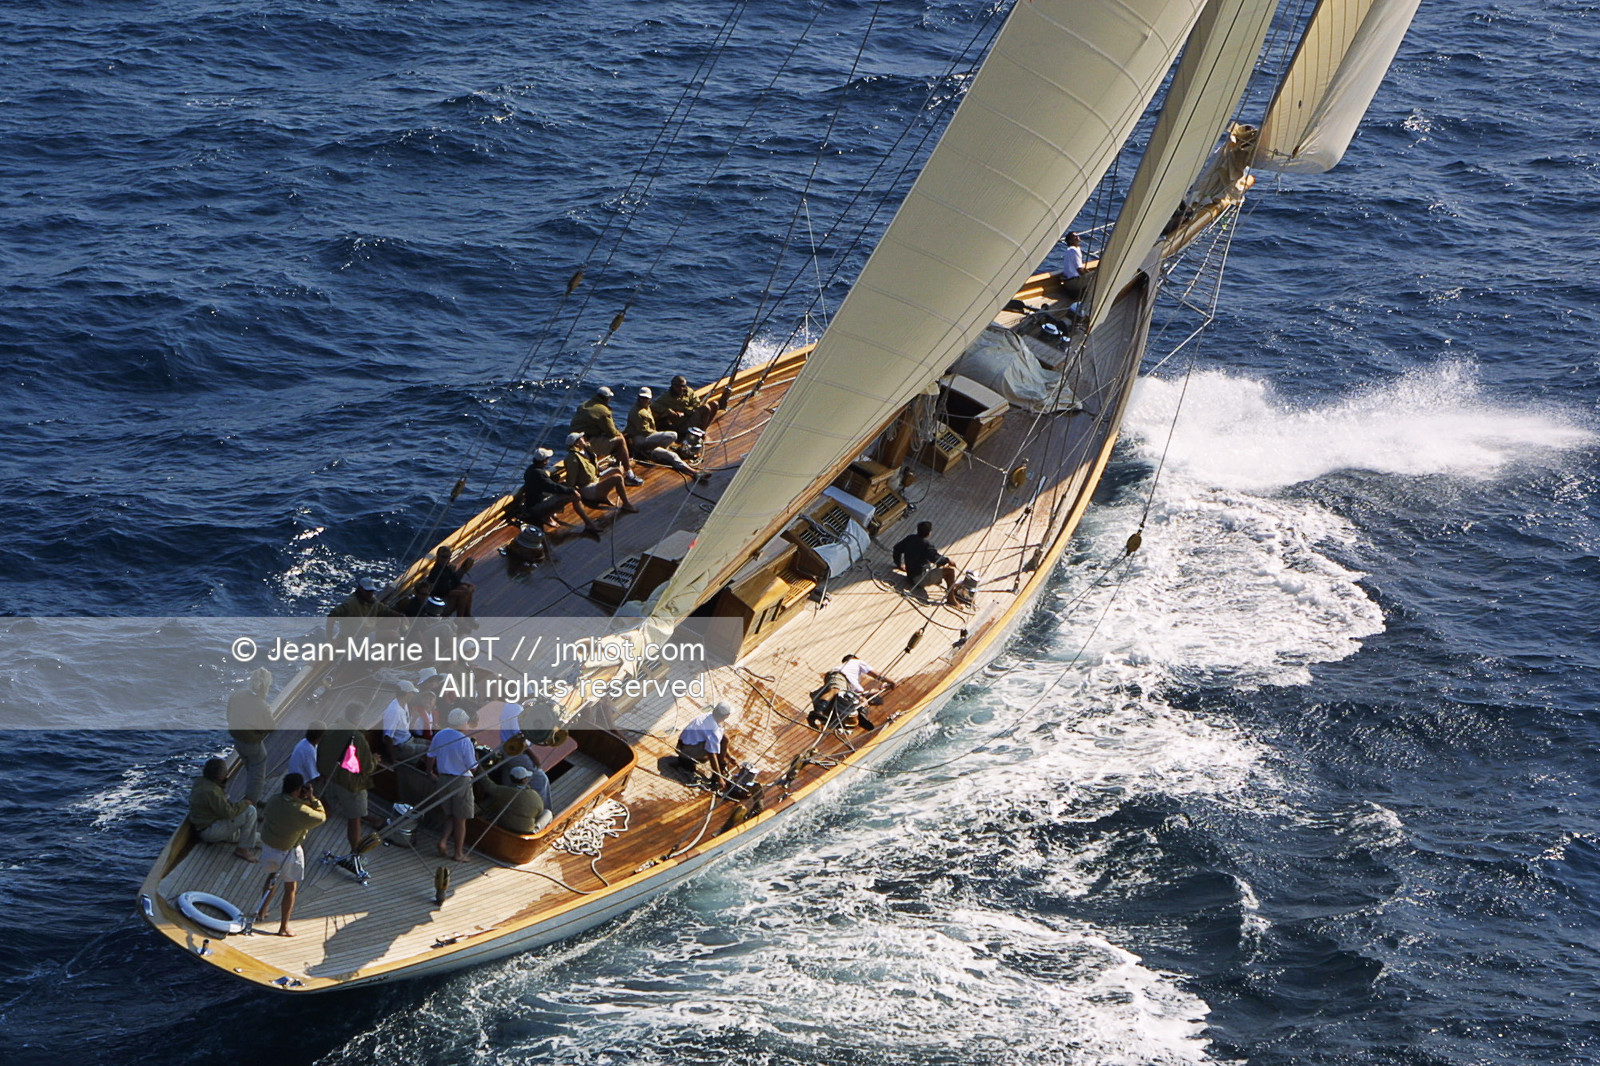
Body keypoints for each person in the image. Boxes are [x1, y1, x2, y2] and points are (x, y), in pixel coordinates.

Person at [253, 773, 326, 937]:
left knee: (272, 877)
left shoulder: (274, 800)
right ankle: (284, 927)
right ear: (298, 790)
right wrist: (312, 799)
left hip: (269, 847)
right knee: (290, 888)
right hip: (287, 852)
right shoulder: (300, 810)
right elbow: (321, 818)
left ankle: (262, 910)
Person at [316, 702, 379, 865]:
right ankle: (355, 854)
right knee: (355, 818)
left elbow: (320, 750)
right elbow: (367, 766)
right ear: (359, 718)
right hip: (349, 784)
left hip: (329, 778)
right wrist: (375, 760)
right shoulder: (357, 737)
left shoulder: (332, 728)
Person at [427, 707, 478, 862]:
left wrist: (429, 772)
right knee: (461, 819)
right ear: (462, 723)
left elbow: (430, 755)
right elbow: (472, 767)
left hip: (443, 779)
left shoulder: (440, 734)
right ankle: (458, 853)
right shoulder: (465, 741)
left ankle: (443, 841)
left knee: (449, 814)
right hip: (460, 781)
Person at [187, 757, 259, 862]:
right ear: (219, 776)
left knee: (255, 838)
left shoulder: (200, 782)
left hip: (204, 825)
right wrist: (245, 803)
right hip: (210, 830)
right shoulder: (212, 791)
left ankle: (271, 841)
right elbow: (229, 813)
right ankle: (242, 850)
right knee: (250, 811)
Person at [512, 448, 599, 533]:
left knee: (565, 489)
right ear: (544, 461)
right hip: (536, 508)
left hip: (532, 504)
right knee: (574, 496)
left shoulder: (531, 469)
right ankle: (588, 523)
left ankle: (547, 515)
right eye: (548, 459)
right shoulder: (539, 473)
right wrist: (571, 490)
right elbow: (552, 487)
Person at [570, 386, 643, 485]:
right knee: (620, 440)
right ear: (607, 398)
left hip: (575, 441)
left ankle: (610, 464)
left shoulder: (584, 405)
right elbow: (612, 433)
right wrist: (620, 433)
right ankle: (629, 474)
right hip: (586, 443)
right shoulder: (603, 410)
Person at [625, 388, 700, 477]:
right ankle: (651, 452)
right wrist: (658, 436)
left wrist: (669, 412)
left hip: (649, 443)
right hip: (641, 442)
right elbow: (645, 431)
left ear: (650, 399)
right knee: (673, 435)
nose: (644, 400)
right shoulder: (637, 412)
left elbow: (657, 408)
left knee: (673, 456)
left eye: (646, 398)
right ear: (638, 397)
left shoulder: (647, 407)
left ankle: (694, 473)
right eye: (642, 398)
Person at [226, 667, 273, 804]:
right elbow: (271, 727)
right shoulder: (262, 706)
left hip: (237, 740)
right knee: (257, 772)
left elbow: (229, 715)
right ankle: (251, 803)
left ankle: (251, 795)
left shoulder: (237, 695)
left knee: (249, 767)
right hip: (252, 745)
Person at [563, 432, 640, 513]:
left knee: (617, 470)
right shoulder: (572, 459)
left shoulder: (586, 450)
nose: (583, 438)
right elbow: (571, 480)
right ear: (577, 443)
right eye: (581, 438)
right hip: (587, 488)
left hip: (595, 480)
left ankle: (602, 496)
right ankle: (626, 504)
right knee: (618, 478)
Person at [476, 764, 551, 834]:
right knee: (547, 813)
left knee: (492, 804)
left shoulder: (504, 791)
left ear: (511, 778)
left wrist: (478, 767)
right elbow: (540, 810)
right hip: (526, 830)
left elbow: (488, 784)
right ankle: (535, 830)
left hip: (505, 826)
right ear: (524, 780)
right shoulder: (534, 795)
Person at [892, 520, 959, 598]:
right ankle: (951, 598)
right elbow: (935, 558)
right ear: (929, 533)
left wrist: (899, 564)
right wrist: (948, 560)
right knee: (950, 572)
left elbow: (896, 548)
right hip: (919, 579)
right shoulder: (927, 545)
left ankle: (942, 583)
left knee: (941, 563)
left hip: (910, 575)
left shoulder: (910, 538)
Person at [675, 702, 735, 782]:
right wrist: (719, 778)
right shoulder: (713, 729)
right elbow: (712, 754)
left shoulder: (710, 716)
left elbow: (722, 739)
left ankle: (721, 766)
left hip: (684, 744)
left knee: (725, 738)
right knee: (713, 749)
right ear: (725, 716)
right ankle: (716, 775)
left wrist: (729, 757)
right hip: (685, 751)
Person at [326, 576, 399, 640]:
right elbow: (331, 617)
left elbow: (385, 610)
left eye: (371, 591)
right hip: (357, 638)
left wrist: (402, 616)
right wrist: (330, 639)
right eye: (367, 591)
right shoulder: (351, 603)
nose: (370, 594)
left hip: (369, 632)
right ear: (360, 590)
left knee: (395, 620)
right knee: (392, 635)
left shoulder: (372, 600)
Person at [651, 375, 720, 436]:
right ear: (673, 386)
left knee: (714, 404)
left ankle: (702, 431)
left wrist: (685, 412)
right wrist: (669, 411)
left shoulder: (689, 392)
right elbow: (653, 405)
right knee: (705, 408)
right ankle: (699, 434)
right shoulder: (667, 396)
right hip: (682, 424)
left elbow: (697, 404)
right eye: (678, 386)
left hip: (691, 417)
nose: (681, 388)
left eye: (683, 386)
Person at [380, 680, 425, 766]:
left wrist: (414, 718)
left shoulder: (404, 704)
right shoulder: (394, 711)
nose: (413, 695)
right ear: (407, 693)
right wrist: (393, 758)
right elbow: (387, 737)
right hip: (400, 747)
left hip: (409, 739)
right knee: (430, 750)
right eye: (412, 693)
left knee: (433, 745)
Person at [426, 545, 475, 618]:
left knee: (464, 588)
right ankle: (460, 618)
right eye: (444, 557)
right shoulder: (436, 572)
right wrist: (464, 592)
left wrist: (470, 586)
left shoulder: (446, 569)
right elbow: (443, 592)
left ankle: (467, 615)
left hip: (446, 596)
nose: (447, 559)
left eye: (449, 557)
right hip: (439, 603)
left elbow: (456, 582)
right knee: (464, 593)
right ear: (438, 557)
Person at [287, 721, 324, 786]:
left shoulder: (304, 742)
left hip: (295, 777)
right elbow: (315, 775)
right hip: (300, 784)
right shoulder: (309, 750)